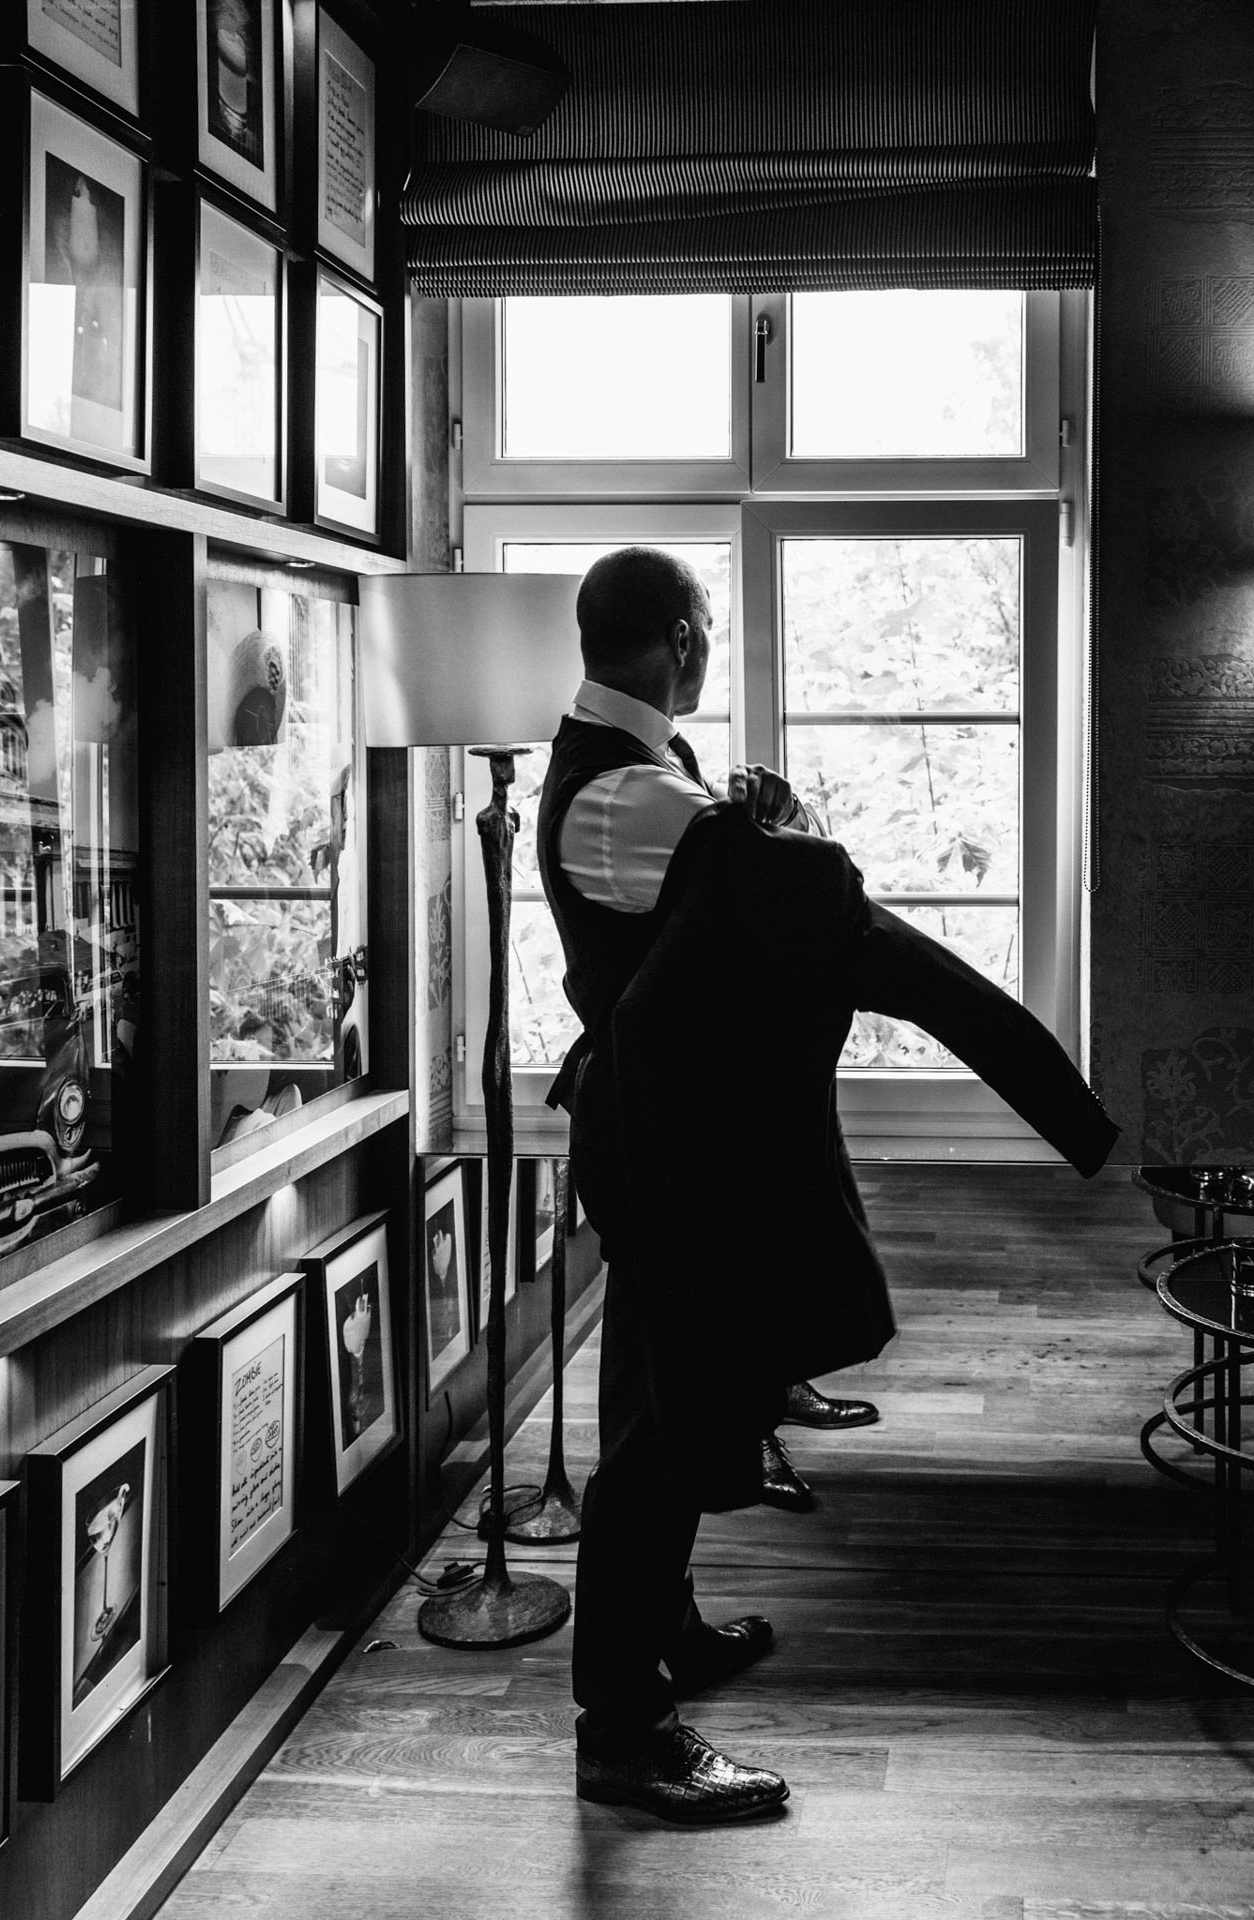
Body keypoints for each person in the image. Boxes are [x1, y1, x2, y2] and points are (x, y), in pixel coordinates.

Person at [536, 547, 1118, 1825]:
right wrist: (788, 837)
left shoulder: (631, 778)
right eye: (705, 630)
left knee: (658, 1406)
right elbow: (812, 906)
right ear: (683, 639)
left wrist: (751, 827)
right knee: (651, 1440)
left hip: (661, 1144)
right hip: (666, 1159)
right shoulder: (629, 796)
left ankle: (664, 1634)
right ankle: (621, 1733)